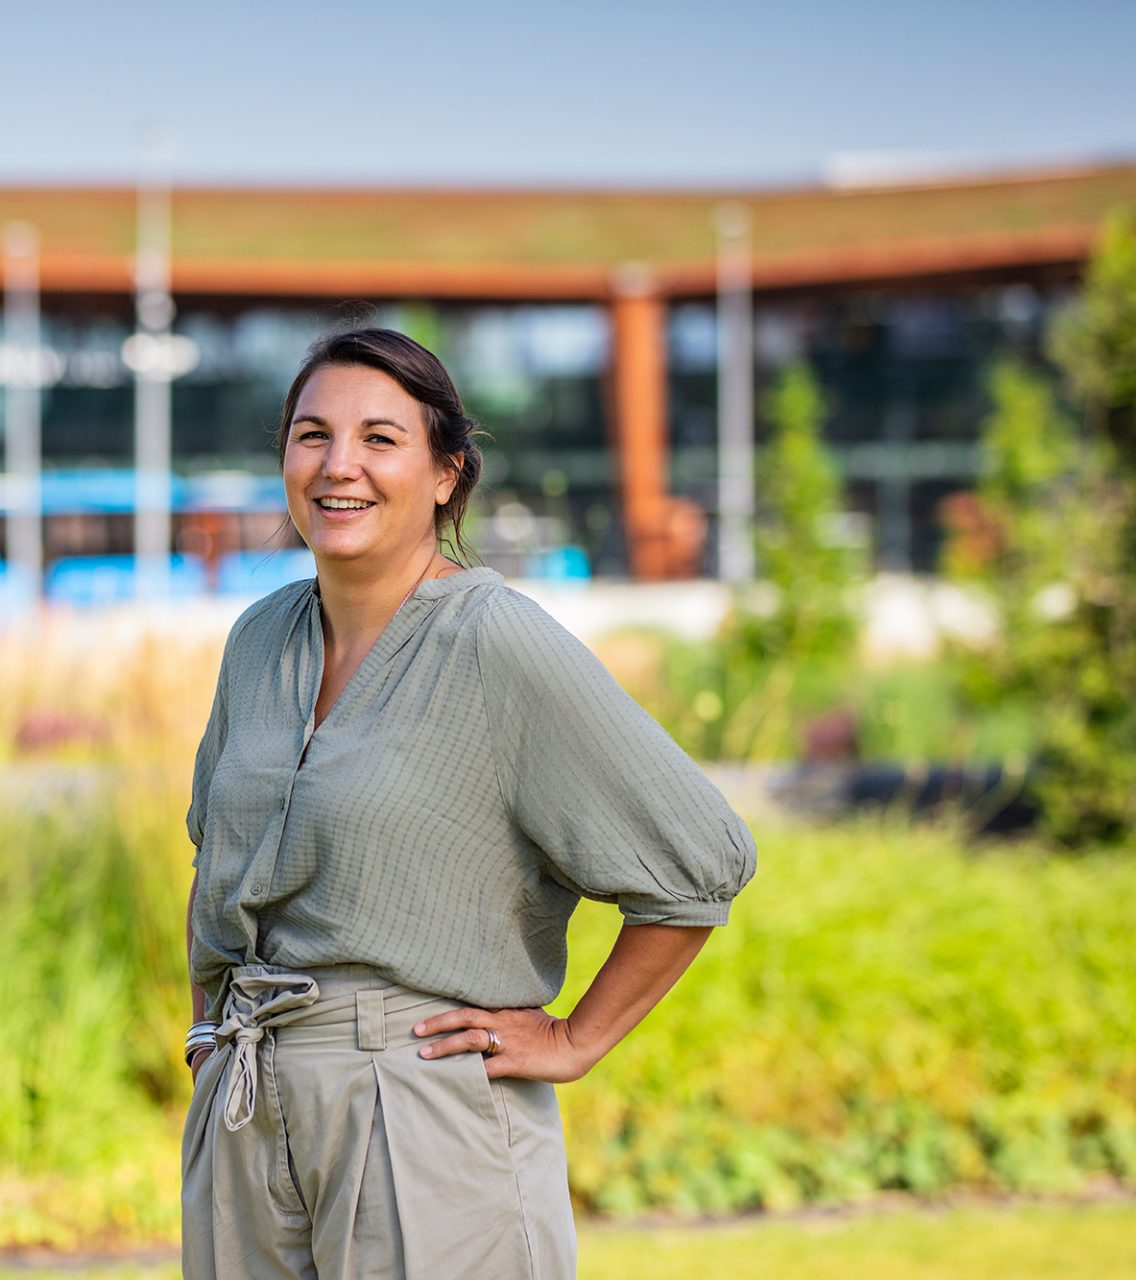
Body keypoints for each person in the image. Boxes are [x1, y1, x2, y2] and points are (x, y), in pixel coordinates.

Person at [180, 327, 757, 1279]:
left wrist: (575, 1039)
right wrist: (208, 1033)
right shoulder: (259, 640)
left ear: (447, 474)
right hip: (248, 1103)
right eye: (311, 434)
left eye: (379, 439)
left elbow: (698, 861)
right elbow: (214, 861)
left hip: (422, 1109)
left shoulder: (496, 642)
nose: (338, 466)